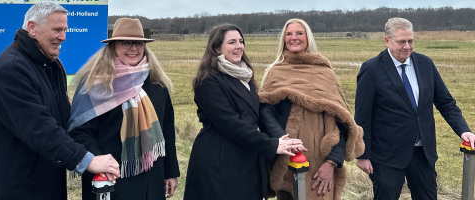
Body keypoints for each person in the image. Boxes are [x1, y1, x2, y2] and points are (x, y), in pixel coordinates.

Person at [0, 2, 119, 200]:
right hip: (15, 188)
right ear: (32, 28)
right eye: (57, 30)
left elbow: (64, 120)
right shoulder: (12, 69)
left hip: (43, 183)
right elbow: (40, 128)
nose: (63, 37)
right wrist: (86, 160)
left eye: (65, 30)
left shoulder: (50, 65)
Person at [354, 17, 475, 200]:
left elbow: (446, 102)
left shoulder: (425, 64)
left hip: (423, 153)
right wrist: (362, 154)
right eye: (401, 42)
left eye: (410, 41)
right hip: (386, 156)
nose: (407, 46)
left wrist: (464, 131)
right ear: (387, 41)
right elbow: (362, 116)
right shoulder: (372, 69)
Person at [184, 24, 305, 200]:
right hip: (218, 159)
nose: (238, 46)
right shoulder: (208, 81)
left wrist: (281, 138)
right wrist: (271, 145)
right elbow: (230, 124)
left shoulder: (245, 76)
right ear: (217, 48)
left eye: (241, 41)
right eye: (231, 42)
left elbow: (256, 114)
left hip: (247, 155)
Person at [69, 18, 180, 199]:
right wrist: (98, 162)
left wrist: (170, 171)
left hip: (150, 179)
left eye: (138, 43)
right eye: (126, 42)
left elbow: (167, 130)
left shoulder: (156, 84)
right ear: (113, 46)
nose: (133, 48)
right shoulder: (95, 83)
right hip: (110, 179)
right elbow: (80, 132)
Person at [260, 19, 365, 200]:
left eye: (299, 33)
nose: (294, 38)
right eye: (289, 34)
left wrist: (332, 162)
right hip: (286, 160)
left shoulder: (325, 73)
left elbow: (341, 122)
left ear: (308, 37)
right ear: (284, 39)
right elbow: (265, 112)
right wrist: (283, 141)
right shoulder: (275, 71)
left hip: (320, 163)